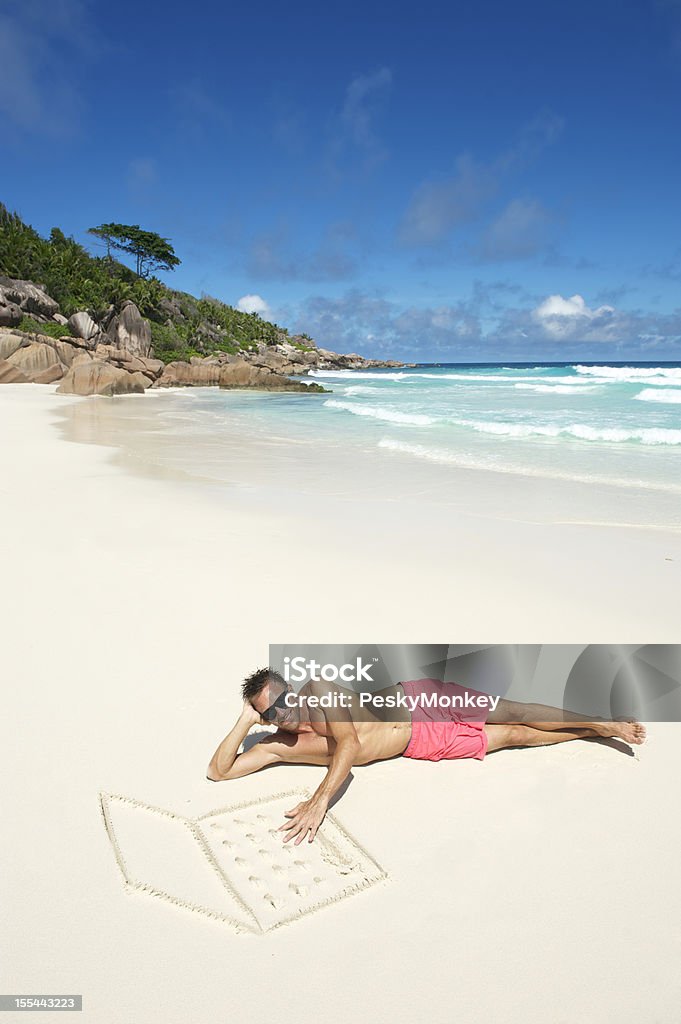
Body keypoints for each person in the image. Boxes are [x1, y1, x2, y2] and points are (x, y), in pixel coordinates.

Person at [206, 667, 646, 845]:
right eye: (272, 710)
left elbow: (351, 745)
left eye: (282, 697)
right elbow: (218, 772)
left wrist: (318, 801)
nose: (284, 710)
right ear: (266, 717)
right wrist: (245, 721)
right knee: (509, 736)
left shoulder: (320, 690)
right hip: (421, 743)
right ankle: (587, 732)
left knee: (514, 710)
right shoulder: (278, 746)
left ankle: (601, 721)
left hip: (418, 700)